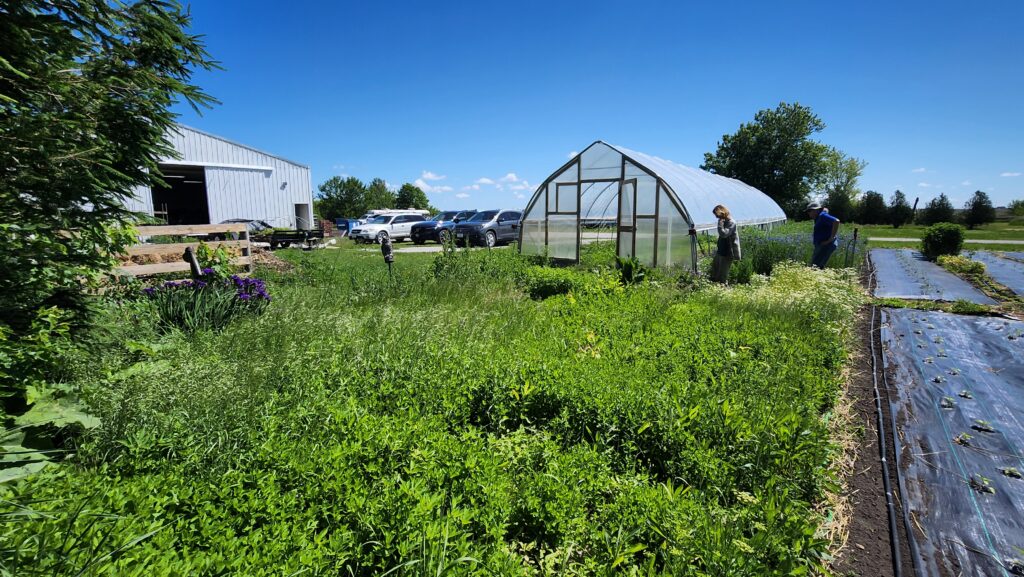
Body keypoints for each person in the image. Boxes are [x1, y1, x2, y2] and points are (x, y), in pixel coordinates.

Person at [710, 205, 741, 283]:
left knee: (723, 274)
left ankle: (723, 289)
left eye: (716, 215)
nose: (716, 217)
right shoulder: (724, 221)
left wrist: (719, 224)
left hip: (728, 252)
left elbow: (724, 234)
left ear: (722, 213)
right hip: (721, 250)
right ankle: (716, 288)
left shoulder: (731, 222)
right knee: (715, 270)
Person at [807, 201, 840, 268]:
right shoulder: (819, 217)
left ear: (816, 210)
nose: (808, 213)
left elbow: (836, 221)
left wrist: (831, 238)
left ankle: (816, 278)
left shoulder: (822, 216)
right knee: (817, 265)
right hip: (822, 245)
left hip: (825, 245)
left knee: (815, 266)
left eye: (809, 211)